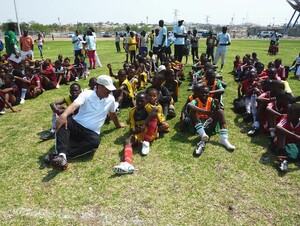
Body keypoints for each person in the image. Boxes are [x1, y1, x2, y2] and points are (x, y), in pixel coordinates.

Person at [47, 75, 126, 170]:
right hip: (76, 126)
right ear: (99, 87)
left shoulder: (110, 99)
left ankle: (62, 156)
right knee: (63, 121)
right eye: (107, 89)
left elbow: (113, 113)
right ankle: (61, 153)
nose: (110, 92)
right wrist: (63, 115)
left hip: (91, 133)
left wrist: (118, 125)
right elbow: (74, 105)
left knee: (95, 141)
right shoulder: (87, 94)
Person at [113, 92, 159, 174]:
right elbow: (132, 128)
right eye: (137, 101)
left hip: (151, 132)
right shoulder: (132, 111)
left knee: (154, 116)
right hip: (140, 133)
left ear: (147, 101)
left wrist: (144, 124)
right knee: (128, 141)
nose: (139, 103)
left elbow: (155, 110)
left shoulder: (148, 107)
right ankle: (127, 164)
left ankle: (146, 142)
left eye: (142, 101)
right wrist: (136, 130)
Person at [186, 84, 235, 156]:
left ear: (209, 94)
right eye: (202, 93)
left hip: (209, 123)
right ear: (198, 93)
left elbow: (217, 110)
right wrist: (206, 112)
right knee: (192, 111)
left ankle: (224, 139)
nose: (204, 94)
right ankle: (203, 135)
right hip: (198, 125)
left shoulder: (211, 100)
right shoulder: (196, 100)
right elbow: (189, 105)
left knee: (220, 111)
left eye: (206, 93)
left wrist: (217, 104)